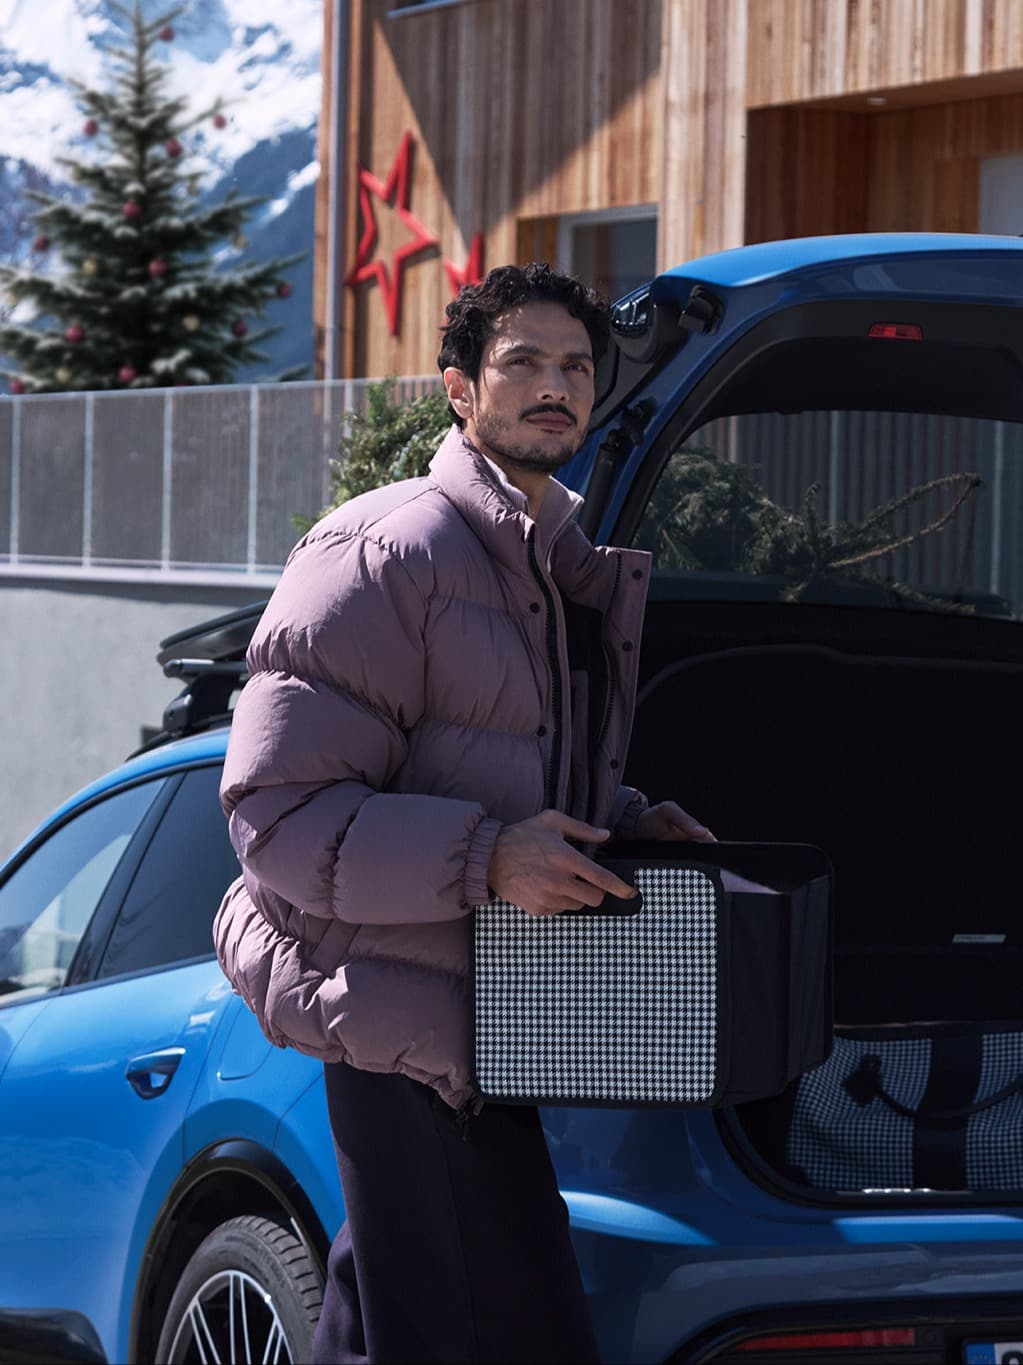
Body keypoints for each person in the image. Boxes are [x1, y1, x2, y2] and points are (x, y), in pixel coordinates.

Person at [213, 262, 714, 1365]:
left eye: (576, 367)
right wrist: (490, 861)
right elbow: (276, 814)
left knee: (387, 1324)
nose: (555, 387)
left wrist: (626, 823)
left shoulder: (550, 565)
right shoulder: (386, 550)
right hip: (410, 1031)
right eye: (522, 363)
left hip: (500, 1021)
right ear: (457, 390)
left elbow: (505, 771)